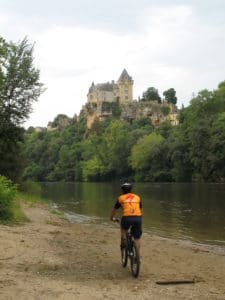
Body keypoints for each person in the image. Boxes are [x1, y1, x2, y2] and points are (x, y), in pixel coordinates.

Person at [110, 182, 142, 257]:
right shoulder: (137, 197)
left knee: (123, 229)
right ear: (131, 189)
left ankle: (124, 241)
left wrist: (111, 218)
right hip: (138, 217)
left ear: (122, 190)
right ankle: (138, 256)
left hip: (127, 218)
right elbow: (140, 209)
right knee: (137, 238)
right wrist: (139, 218)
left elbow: (114, 210)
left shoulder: (120, 198)